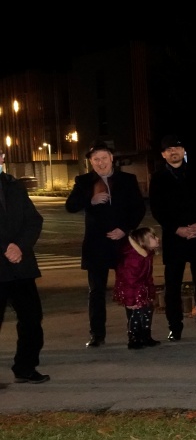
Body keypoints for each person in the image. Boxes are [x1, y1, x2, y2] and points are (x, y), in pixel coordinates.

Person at [65, 140, 146, 348]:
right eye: (96, 159)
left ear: (112, 158)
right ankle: (97, 335)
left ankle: (135, 334)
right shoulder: (83, 181)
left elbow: (138, 208)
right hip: (96, 245)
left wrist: (125, 229)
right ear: (91, 162)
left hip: (122, 242)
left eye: (104, 158)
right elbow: (70, 206)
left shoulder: (127, 179)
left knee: (130, 287)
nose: (101, 163)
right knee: (96, 291)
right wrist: (89, 199)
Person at [149, 135, 196, 341]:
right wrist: (176, 228)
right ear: (163, 154)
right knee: (172, 286)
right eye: (168, 149)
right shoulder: (158, 178)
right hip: (174, 238)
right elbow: (157, 209)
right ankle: (175, 327)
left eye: (177, 148)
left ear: (183, 151)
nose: (173, 152)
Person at [0, 149, 48, 384]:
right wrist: (6, 248)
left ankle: (26, 367)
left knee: (32, 318)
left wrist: (19, 246)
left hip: (21, 267)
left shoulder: (14, 185)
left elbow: (34, 220)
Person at [112, 227, 161, 350]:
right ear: (143, 241)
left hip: (142, 288)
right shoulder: (133, 258)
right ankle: (134, 338)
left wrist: (150, 291)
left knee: (147, 311)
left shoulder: (147, 254)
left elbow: (148, 276)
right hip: (133, 290)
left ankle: (146, 335)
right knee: (136, 314)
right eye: (153, 237)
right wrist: (130, 300)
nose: (157, 239)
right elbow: (129, 280)